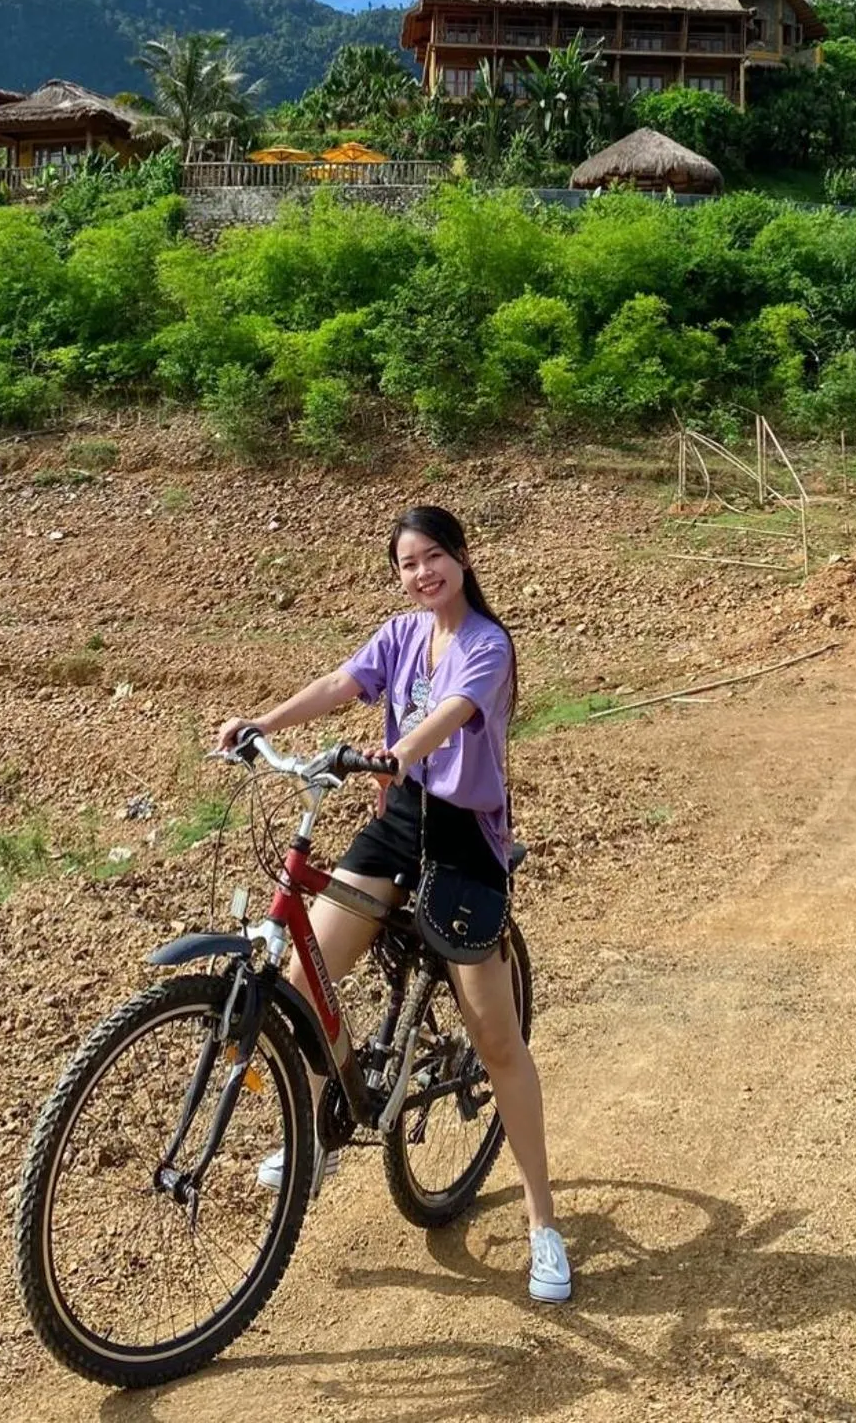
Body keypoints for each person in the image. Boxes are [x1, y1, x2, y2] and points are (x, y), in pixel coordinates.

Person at [219, 503, 572, 1305]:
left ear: (461, 557)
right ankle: (319, 1138)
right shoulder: (402, 635)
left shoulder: (488, 644)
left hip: (460, 839)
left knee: (496, 1038)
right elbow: (344, 682)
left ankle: (543, 1225)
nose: (423, 573)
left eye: (434, 557)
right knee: (305, 982)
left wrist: (396, 751)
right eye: (408, 563)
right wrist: (261, 723)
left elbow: (449, 717)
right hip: (399, 822)